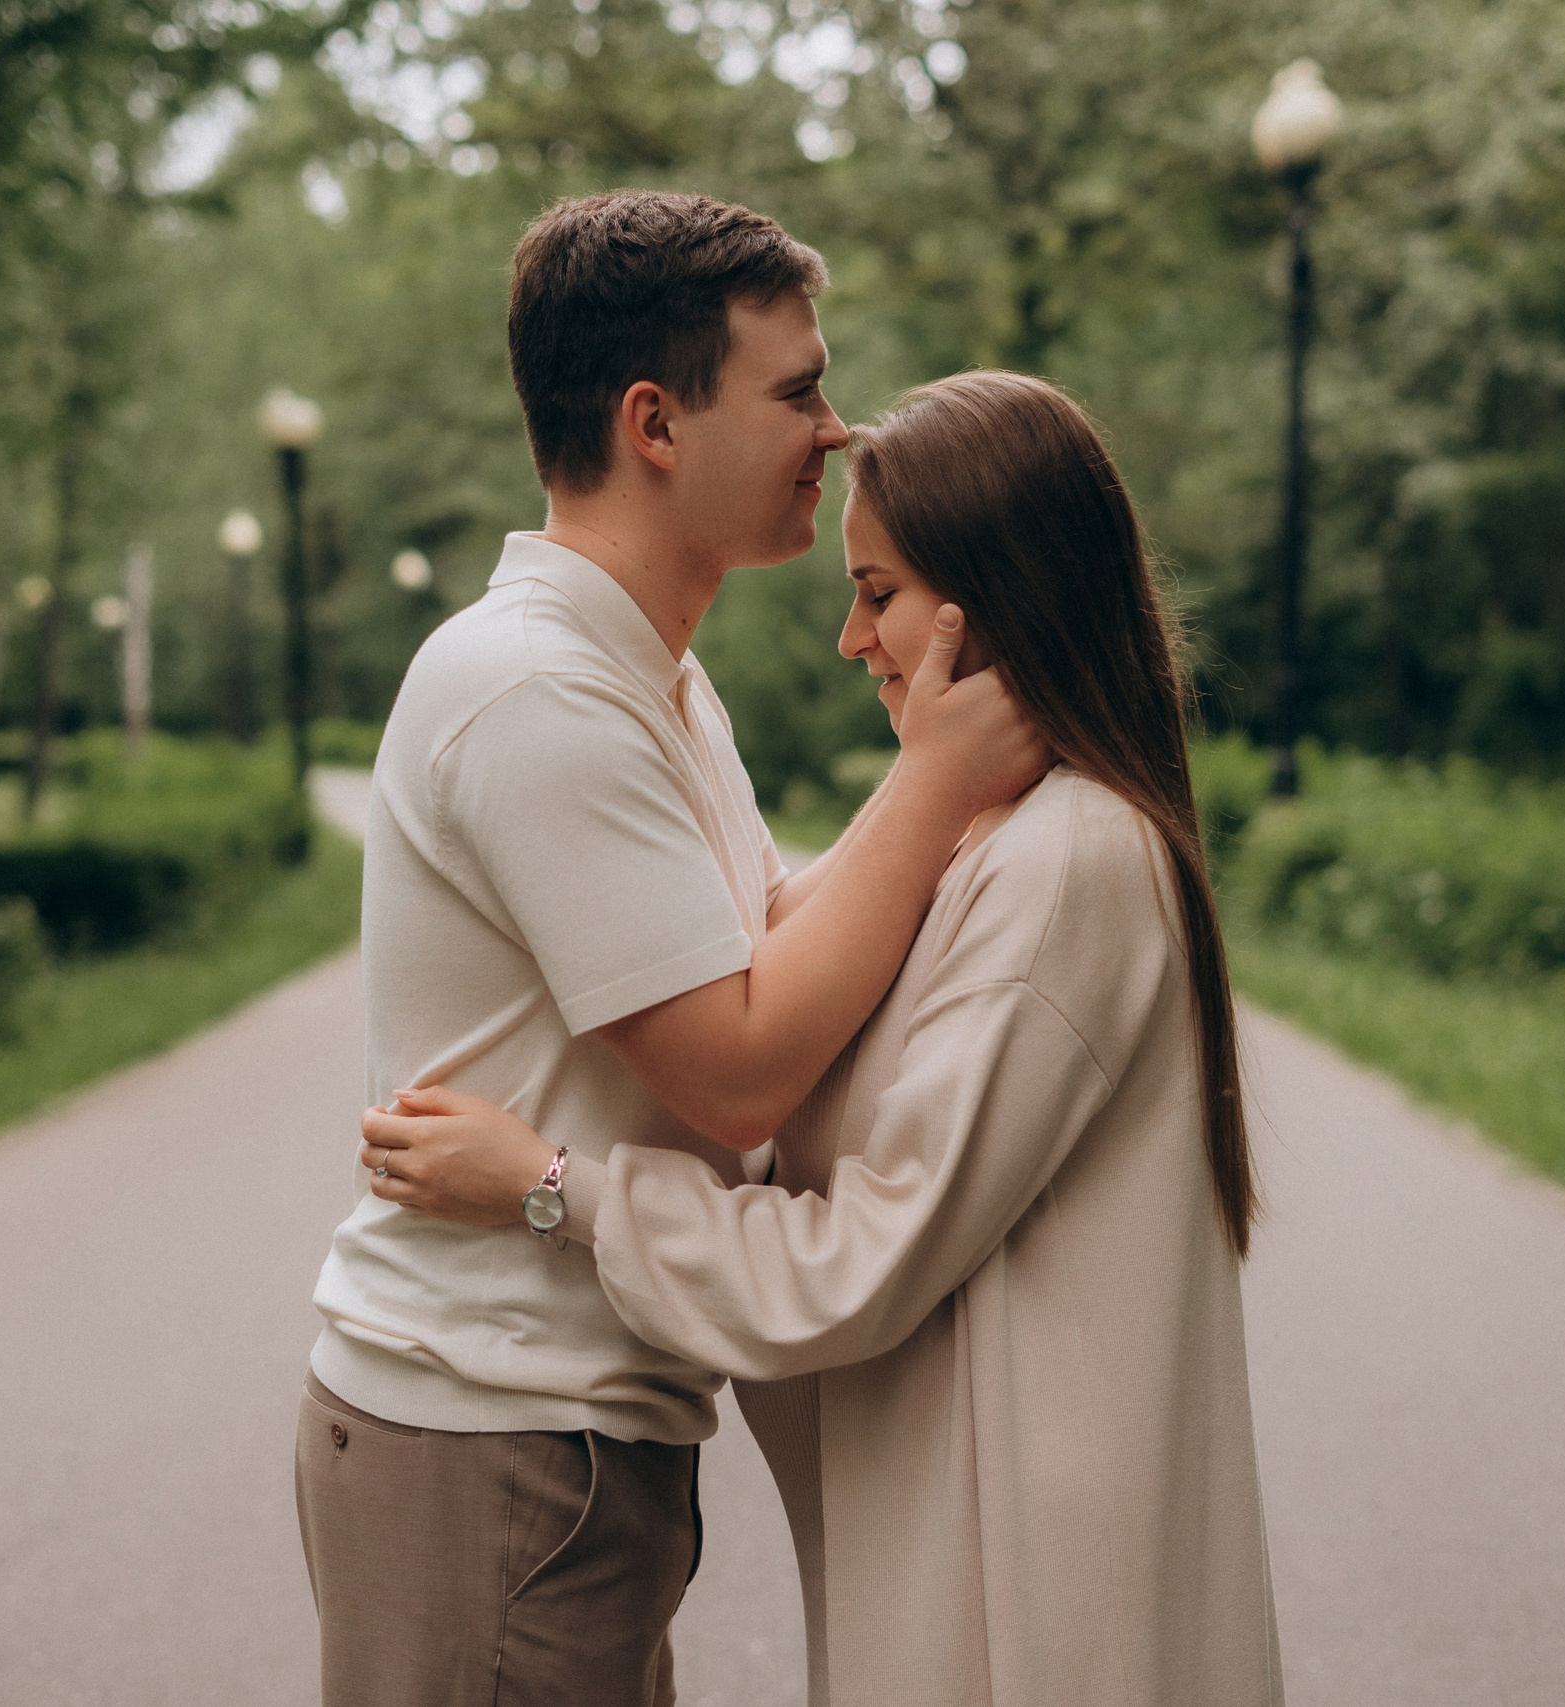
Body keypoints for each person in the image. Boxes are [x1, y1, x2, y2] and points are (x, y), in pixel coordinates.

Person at [358, 371, 1285, 1707]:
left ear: (998, 606)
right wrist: (931, 777)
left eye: (881, 593)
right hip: (965, 1531)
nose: (855, 639)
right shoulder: (984, 839)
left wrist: (549, 1189)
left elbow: (858, 1261)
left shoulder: (1073, 864)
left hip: (1033, 1594)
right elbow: (779, 943)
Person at [295, 196, 1050, 1707]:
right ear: (656, 421)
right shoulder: (542, 695)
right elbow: (742, 1070)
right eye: (796, 391)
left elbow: (770, 932)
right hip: (492, 1435)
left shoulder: (651, 681)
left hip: (559, 1434)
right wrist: (941, 783)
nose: (833, 434)